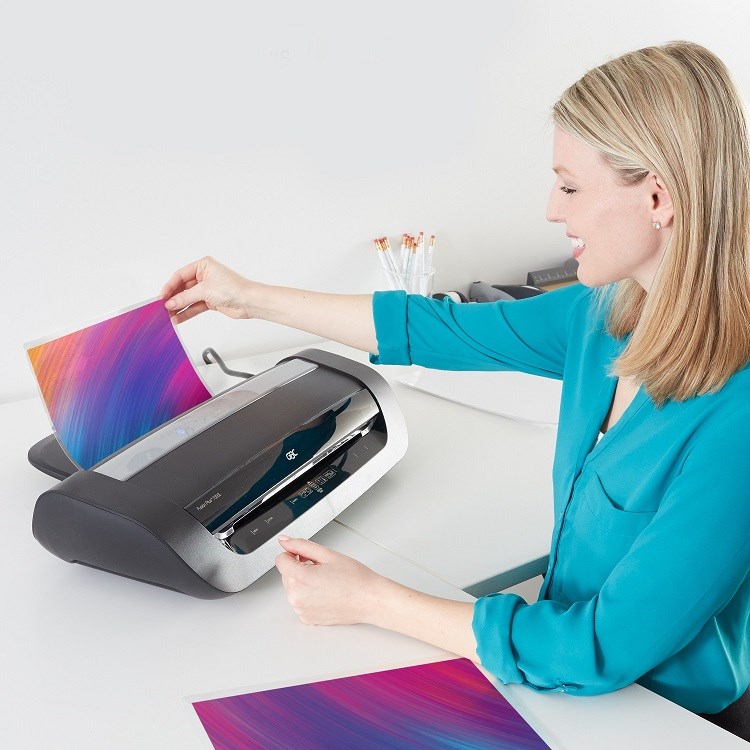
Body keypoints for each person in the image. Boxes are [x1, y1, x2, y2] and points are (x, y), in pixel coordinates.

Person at [160, 40, 750, 739]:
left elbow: (601, 648)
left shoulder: (736, 418)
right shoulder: (606, 314)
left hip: (662, 717)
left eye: (569, 186)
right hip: (558, 676)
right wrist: (250, 298)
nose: (551, 210)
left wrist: (374, 600)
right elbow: (441, 329)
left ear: (657, 197)